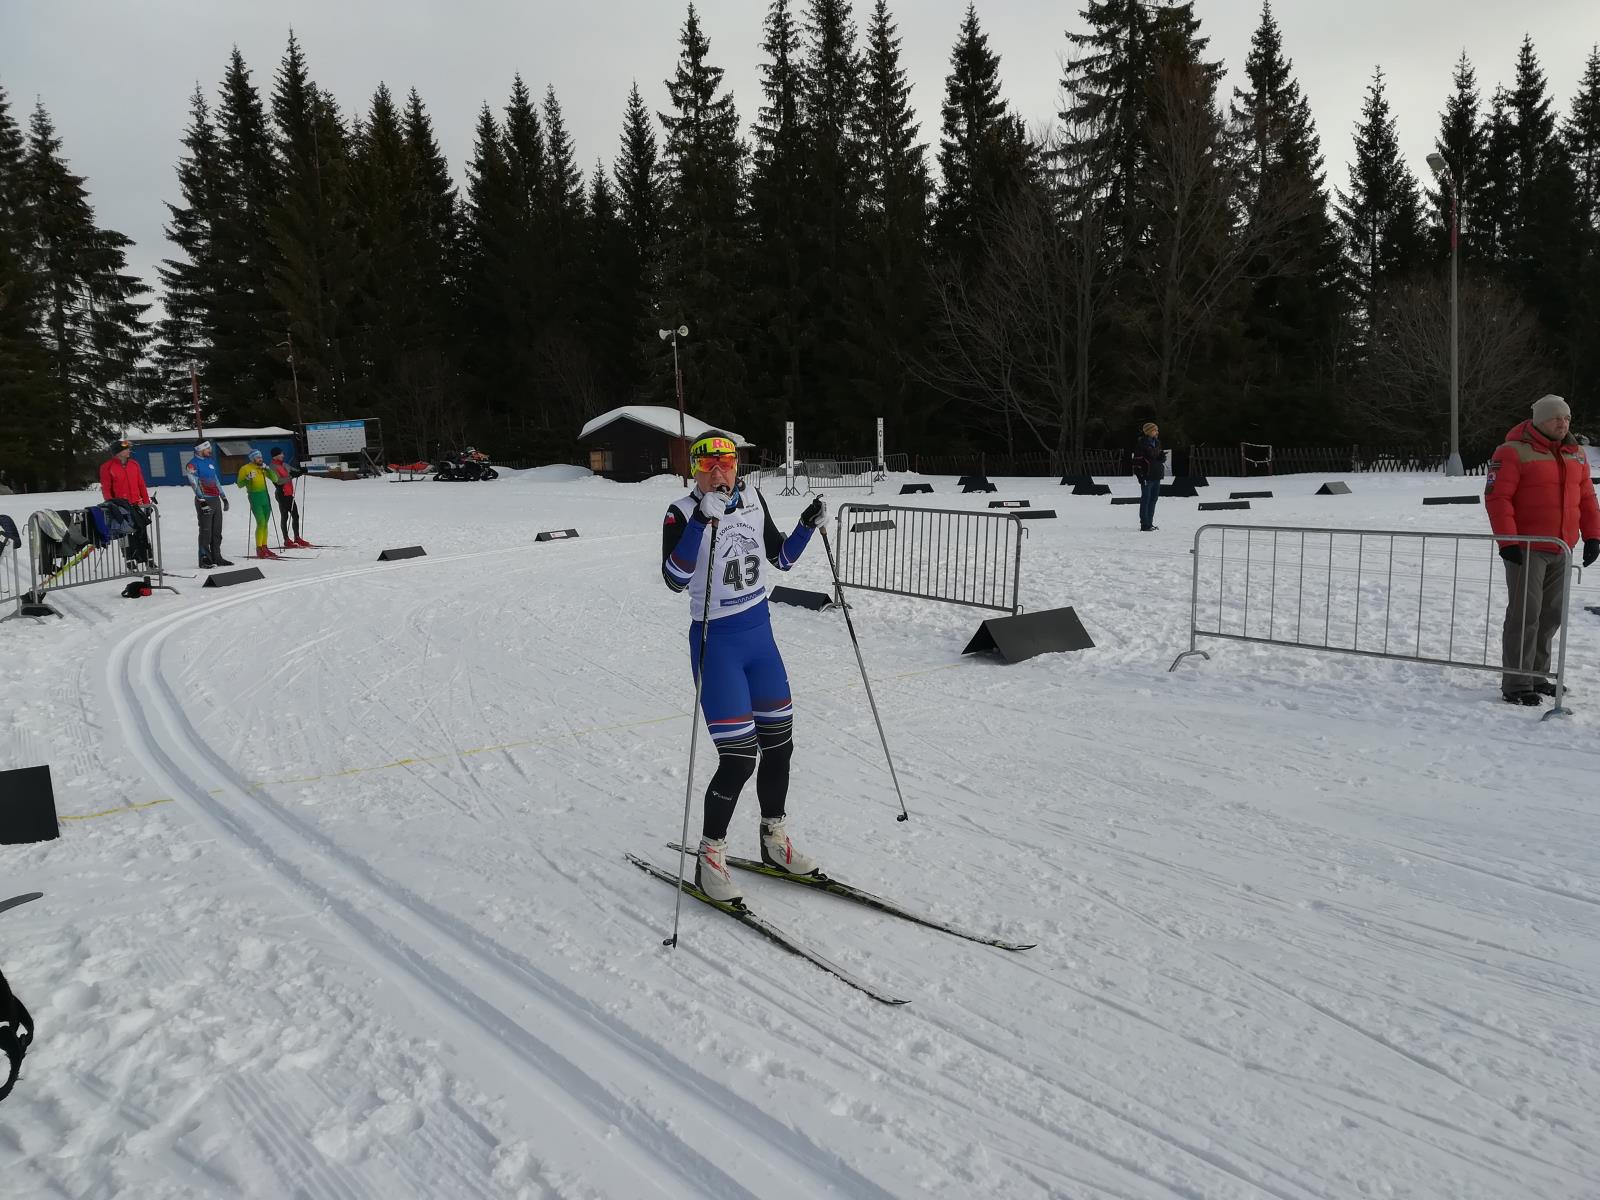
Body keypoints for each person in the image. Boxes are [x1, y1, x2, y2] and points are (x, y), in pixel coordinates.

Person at [660, 431, 830, 903]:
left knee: (780, 746)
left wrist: (807, 526)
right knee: (738, 758)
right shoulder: (680, 511)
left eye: (727, 462)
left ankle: (773, 838)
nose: (719, 472)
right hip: (717, 645)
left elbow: (780, 558)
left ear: (738, 466)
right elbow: (674, 579)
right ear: (694, 469)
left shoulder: (753, 498)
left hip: (761, 638)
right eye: (708, 464)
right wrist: (699, 522)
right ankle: (710, 856)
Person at [1484, 394, 1600, 704]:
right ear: (1539, 421)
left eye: (1567, 419)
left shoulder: (1575, 455)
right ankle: (1517, 683)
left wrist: (1592, 535)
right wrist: (1508, 542)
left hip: (1562, 547)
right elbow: (1498, 499)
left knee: (1550, 615)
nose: (1563, 423)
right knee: (1525, 615)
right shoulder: (1512, 452)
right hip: (1527, 549)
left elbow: (1587, 498)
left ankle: (1538, 675)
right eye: (1555, 418)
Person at [98, 438, 153, 565]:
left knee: (142, 532)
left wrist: (147, 502)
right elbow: (106, 488)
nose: (129, 451)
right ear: (118, 452)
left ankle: (148, 559)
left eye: (128, 448)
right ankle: (129, 560)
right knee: (124, 534)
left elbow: (141, 484)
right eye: (126, 449)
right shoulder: (107, 467)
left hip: (136, 504)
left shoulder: (134, 464)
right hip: (120, 506)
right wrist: (111, 505)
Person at [184, 440, 232, 569]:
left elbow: (215, 480)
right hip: (204, 500)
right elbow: (194, 483)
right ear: (199, 450)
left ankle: (217, 556)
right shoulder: (192, 464)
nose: (210, 450)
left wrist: (224, 497)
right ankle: (204, 558)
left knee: (217, 531)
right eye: (207, 448)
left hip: (215, 499)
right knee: (206, 531)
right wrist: (202, 501)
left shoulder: (210, 462)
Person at [235, 449, 280, 560]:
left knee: (265, 523)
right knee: (261, 522)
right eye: (258, 458)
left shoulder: (262, 468)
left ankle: (265, 547)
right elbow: (239, 484)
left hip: (265, 497)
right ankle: (259, 548)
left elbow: (275, 478)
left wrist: (268, 469)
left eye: (261, 457)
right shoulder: (245, 469)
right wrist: (247, 478)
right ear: (252, 458)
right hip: (255, 498)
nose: (260, 459)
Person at [268, 447, 309, 547]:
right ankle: (286, 540)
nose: (283, 455)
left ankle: (297, 538)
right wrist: (292, 476)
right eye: (281, 454)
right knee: (285, 516)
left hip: (289, 494)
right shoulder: (272, 467)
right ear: (275, 456)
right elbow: (278, 481)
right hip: (281, 494)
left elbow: (294, 471)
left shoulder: (285, 465)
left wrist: (301, 471)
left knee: (295, 515)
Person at [1132, 421, 1164, 532]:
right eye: (1155, 430)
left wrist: (1161, 458)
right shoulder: (1142, 443)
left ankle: (1150, 522)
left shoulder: (1157, 442)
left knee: (1153, 499)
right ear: (1149, 431)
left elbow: (1157, 456)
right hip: (1147, 476)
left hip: (1157, 475)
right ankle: (1144, 524)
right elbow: (1137, 462)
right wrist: (1140, 476)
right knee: (1146, 499)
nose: (1157, 432)